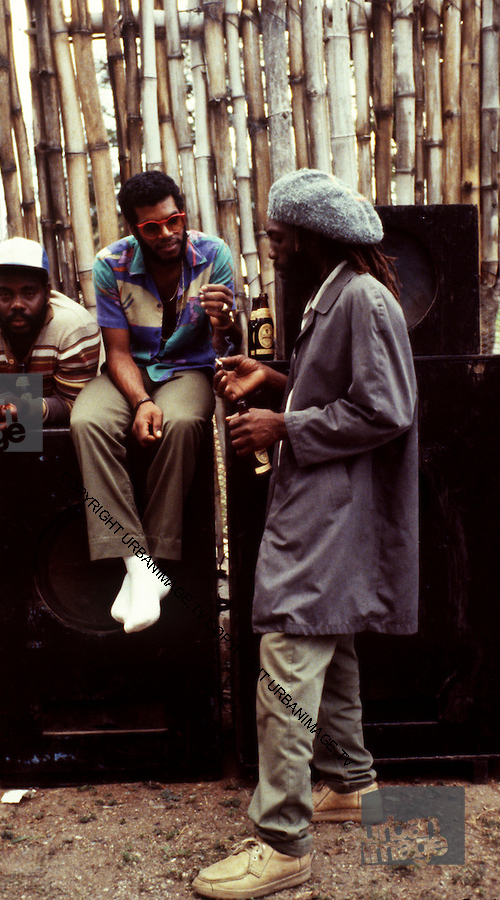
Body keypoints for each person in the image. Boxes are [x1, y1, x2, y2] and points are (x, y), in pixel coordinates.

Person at [193, 169, 418, 899]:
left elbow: (387, 409)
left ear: (316, 239)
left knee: (287, 656)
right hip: (326, 505)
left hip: (334, 510)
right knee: (330, 633)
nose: (272, 248)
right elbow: (337, 388)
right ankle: (350, 783)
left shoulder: (364, 299)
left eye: (280, 237)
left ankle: (282, 843)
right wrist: (274, 379)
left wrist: (282, 425)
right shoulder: (335, 293)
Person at [70, 171, 241, 635]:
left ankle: (152, 563)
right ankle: (140, 565)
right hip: (132, 369)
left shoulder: (215, 255)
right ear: (133, 228)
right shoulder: (110, 264)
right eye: (152, 227)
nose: (166, 233)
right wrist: (141, 400)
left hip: (189, 368)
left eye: (174, 220)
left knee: (182, 423)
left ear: (182, 214)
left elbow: (227, 349)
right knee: (86, 421)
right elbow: (117, 352)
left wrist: (223, 321)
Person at [0, 236, 101, 433]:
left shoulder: (74, 328)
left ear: (47, 293)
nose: (17, 304)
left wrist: (27, 411)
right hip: (6, 430)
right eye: (5, 294)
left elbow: (76, 406)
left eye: (29, 293)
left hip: (68, 430)